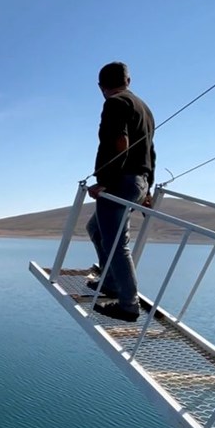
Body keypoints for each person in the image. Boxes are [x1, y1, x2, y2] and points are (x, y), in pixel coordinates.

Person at [85, 61, 155, 322]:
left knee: (117, 245)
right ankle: (112, 281)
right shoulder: (144, 108)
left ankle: (128, 305)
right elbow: (151, 152)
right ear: (129, 80)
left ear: (101, 86)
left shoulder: (114, 103)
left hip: (121, 181)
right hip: (139, 181)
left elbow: (119, 142)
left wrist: (106, 181)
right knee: (95, 229)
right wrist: (148, 188)